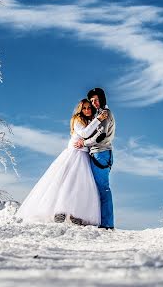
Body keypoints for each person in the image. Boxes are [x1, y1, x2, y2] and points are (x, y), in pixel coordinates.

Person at [16, 99, 108, 226]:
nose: (87, 110)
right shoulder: (77, 120)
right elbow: (84, 133)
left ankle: (76, 213)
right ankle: (60, 211)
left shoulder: (90, 120)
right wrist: (98, 119)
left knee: (81, 185)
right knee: (66, 182)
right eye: (84, 108)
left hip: (84, 154)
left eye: (89, 108)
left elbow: (93, 135)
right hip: (74, 153)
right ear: (80, 110)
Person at [75, 87, 115, 230]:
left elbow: (101, 136)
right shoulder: (99, 114)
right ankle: (101, 222)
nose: (94, 103)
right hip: (97, 153)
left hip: (101, 153)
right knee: (96, 188)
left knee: (103, 189)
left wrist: (83, 143)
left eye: (96, 99)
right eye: (92, 100)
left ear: (102, 99)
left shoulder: (105, 113)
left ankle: (107, 224)